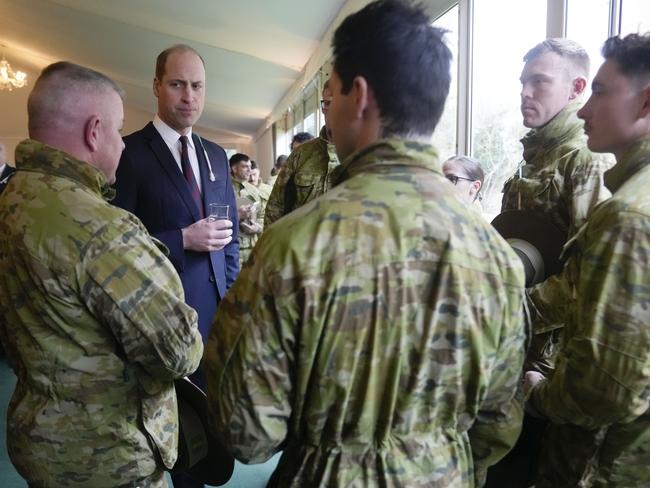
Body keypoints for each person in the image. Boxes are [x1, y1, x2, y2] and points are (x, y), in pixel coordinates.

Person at [204, 1, 526, 486]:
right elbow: (497, 426)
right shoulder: (496, 256)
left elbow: (247, 431)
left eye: (331, 94)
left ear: (359, 94)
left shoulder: (295, 244)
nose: (327, 107)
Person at [0, 61, 203, 488]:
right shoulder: (100, 227)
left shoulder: (12, 197)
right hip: (108, 457)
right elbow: (178, 352)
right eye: (117, 130)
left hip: (39, 441)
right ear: (94, 132)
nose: (123, 145)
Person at [524, 32, 650, 488]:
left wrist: (539, 397)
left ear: (645, 103)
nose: (584, 111)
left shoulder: (629, 213)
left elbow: (604, 387)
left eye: (599, 91)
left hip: (606, 458)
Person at [112, 44, 238, 352]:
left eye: (197, 86)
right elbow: (115, 246)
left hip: (218, 316)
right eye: (177, 84)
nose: (189, 97)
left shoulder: (216, 154)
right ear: (156, 86)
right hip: (159, 315)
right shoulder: (127, 153)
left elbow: (230, 238)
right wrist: (180, 240)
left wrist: (233, 298)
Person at [265, 81, 340, 226]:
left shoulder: (365, 155)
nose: (333, 110)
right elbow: (275, 208)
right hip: (300, 246)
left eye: (339, 103)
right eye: (328, 103)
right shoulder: (301, 155)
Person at [229, 153, 264, 266]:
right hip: (232, 248)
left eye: (250, 166)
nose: (249, 170)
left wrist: (258, 228)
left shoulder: (254, 191)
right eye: (245, 166)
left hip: (253, 247)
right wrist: (236, 215)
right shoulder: (224, 189)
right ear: (234, 168)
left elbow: (262, 215)